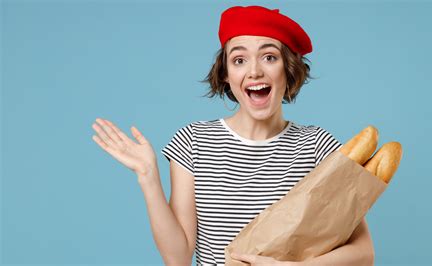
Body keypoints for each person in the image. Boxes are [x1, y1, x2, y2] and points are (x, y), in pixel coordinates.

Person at [92, 5, 375, 266]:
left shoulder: (317, 146)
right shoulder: (193, 141)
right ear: (226, 73)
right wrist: (148, 177)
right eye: (239, 59)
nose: (254, 71)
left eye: (269, 57)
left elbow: (364, 254)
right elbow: (178, 258)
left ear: (288, 70)